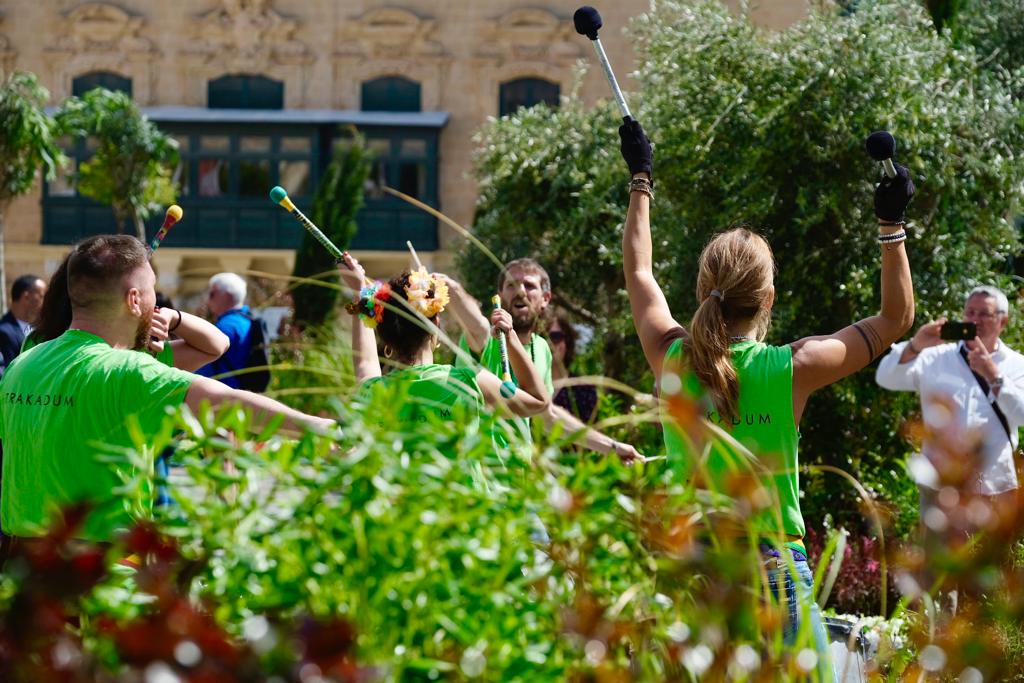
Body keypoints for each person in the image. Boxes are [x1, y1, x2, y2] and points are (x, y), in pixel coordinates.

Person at [618, 117, 914, 670]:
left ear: (704, 291)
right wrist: (891, 225)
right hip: (774, 566)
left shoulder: (671, 356)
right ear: (769, 296)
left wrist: (641, 178)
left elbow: (639, 271)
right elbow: (895, 318)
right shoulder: (793, 368)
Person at [0, 235, 334, 544]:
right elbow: (226, 402)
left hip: (24, 571)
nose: (154, 302)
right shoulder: (128, 370)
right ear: (134, 299)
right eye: (151, 291)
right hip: (103, 572)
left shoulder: (22, 365)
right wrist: (320, 428)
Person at [337, 253, 549, 451]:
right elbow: (539, 401)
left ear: (386, 340)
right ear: (436, 326)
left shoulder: (371, 391)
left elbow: (365, 364)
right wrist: (509, 335)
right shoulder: (467, 381)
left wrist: (360, 292)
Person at [441, 260, 642, 464]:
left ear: (545, 299)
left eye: (529, 285)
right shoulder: (487, 338)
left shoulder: (542, 348)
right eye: (511, 285)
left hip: (517, 480)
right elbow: (476, 325)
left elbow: (548, 416)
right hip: (475, 477)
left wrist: (612, 447)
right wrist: (449, 286)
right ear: (500, 296)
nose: (520, 291)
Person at [876, 286, 1024, 520]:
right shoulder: (935, 357)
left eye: (984, 314)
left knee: (992, 557)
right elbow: (886, 378)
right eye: (970, 312)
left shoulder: (1017, 365)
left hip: (995, 483)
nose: (975, 320)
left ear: (1003, 321)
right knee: (937, 555)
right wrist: (915, 345)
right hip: (940, 485)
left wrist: (993, 375)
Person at [25, 254, 230, 373]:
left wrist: (172, 317)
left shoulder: (36, 342)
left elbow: (217, 344)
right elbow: (216, 346)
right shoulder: (132, 352)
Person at [196, 272, 264, 389]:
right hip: (241, 393)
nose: (208, 299)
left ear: (227, 295)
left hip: (223, 396)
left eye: (212, 294)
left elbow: (203, 367)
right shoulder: (246, 320)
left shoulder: (226, 326)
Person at [549, 311, 598, 423]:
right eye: (543, 337)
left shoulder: (584, 389)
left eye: (555, 337)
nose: (549, 344)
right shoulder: (525, 386)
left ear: (567, 342)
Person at [0, 274, 46, 376]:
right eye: (42, 296)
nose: (45, 302)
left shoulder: (39, 330)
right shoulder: (4, 333)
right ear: (26, 297)